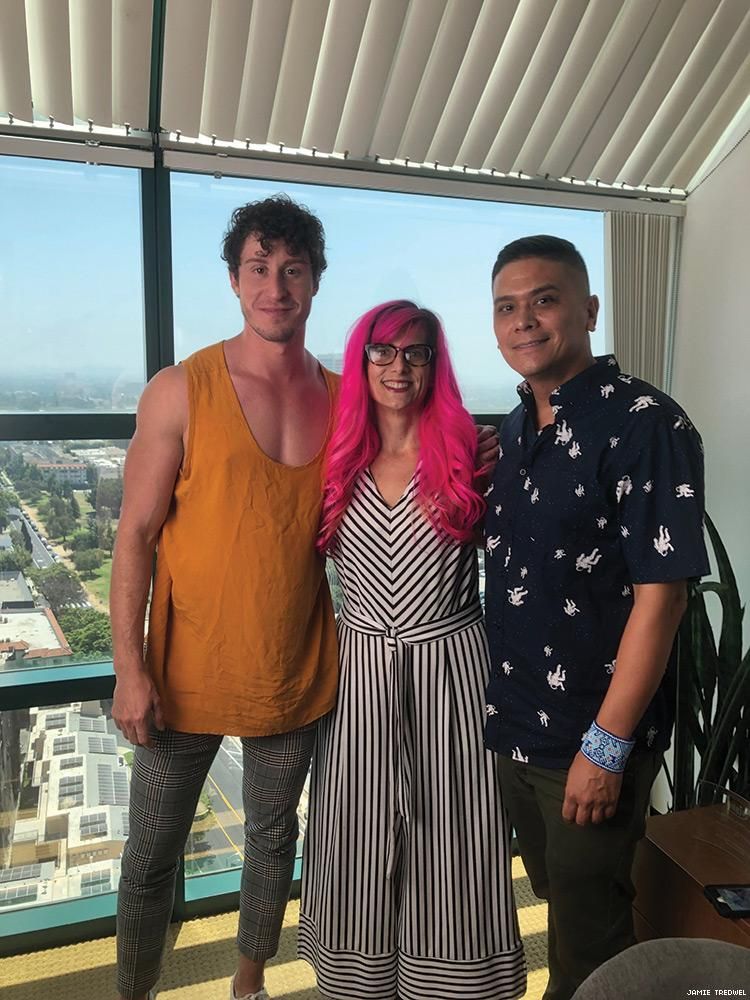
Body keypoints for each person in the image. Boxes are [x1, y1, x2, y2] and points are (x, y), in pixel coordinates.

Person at [111, 195, 340, 1000]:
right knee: (149, 858)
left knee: (274, 842)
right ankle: (134, 991)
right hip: (182, 674)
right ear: (234, 281)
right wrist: (129, 670)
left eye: (292, 270)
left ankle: (249, 984)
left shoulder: (344, 398)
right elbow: (135, 535)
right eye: (258, 268)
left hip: (295, 668)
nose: (275, 287)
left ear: (314, 281)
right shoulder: (180, 389)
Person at [482, 235, 709, 1000]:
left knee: (591, 953)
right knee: (564, 903)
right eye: (506, 307)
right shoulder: (517, 429)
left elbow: (664, 599)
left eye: (544, 300)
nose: (524, 321)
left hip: (588, 736)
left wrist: (605, 750)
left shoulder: (647, 424)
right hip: (516, 726)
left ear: (588, 310)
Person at [299, 301, 526, 1000]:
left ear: (434, 364)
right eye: (383, 351)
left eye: (416, 352)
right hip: (360, 674)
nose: (399, 367)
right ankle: (358, 978)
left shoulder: (471, 456)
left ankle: (453, 980)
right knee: (357, 829)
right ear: (361, 361)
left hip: (451, 670)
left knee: (455, 831)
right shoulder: (335, 460)